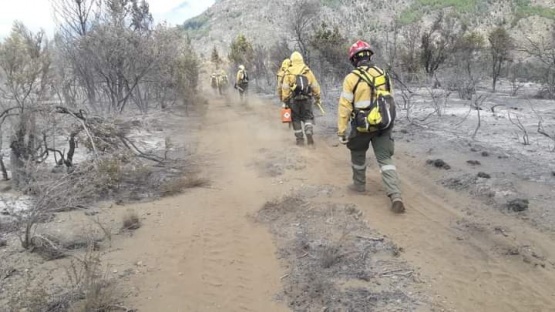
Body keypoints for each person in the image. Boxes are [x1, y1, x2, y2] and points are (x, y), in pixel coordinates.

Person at [337, 40, 405, 213]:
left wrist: (342, 130)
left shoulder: (351, 78)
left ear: (353, 60)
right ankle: (395, 195)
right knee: (385, 160)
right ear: (369, 56)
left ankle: (359, 185)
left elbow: (345, 106)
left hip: (362, 126)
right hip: (383, 124)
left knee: (358, 154)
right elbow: (390, 100)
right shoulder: (383, 74)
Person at [282, 51, 321, 146]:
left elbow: (285, 88)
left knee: (295, 119)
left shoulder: (288, 72)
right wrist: (317, 97)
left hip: (293, 100)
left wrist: (285, 99)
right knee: (308, 116)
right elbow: (315, 85)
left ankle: (300, 140)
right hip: (306, 99)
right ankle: (308, 131)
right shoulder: (307, 70)